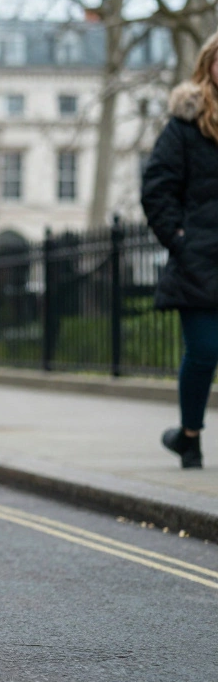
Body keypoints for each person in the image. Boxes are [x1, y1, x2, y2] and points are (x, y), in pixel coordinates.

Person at [143, 30, 218, 471]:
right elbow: (156, 188)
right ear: (207, 64)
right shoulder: (186, 123)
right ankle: (189, 436)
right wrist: (179, 238)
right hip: (199, 260)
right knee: (205, 350)